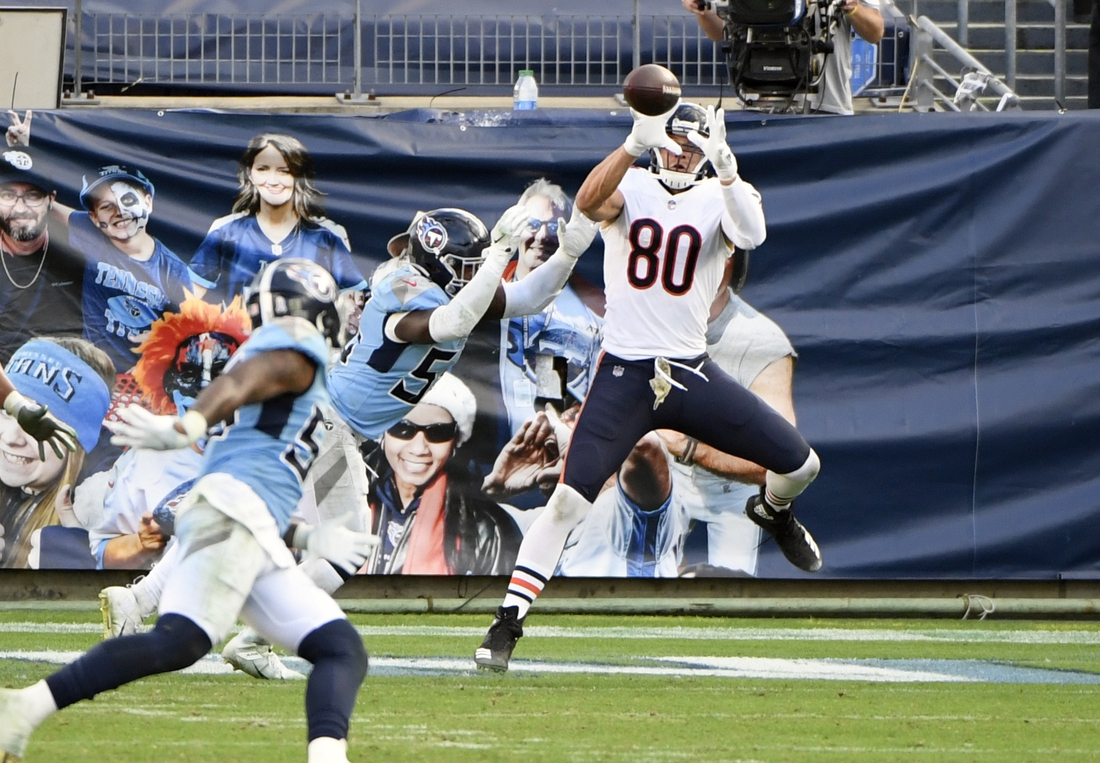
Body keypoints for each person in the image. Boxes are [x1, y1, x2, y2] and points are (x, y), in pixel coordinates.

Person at [475, 101, 822, 671]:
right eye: (674, 139)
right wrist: (635, 141)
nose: (683, 150)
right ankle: (507, 623)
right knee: (566, 501)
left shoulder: (723, 192)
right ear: (658, 139)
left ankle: (776, 512)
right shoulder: (630, 182)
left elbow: (752, 233)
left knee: (801, 464)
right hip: (625, 372)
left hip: (691, 371)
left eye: (693, 141)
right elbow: (588, 202)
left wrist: (727, 166)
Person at [0, 258, 375, 763]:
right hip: (233, 514)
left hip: (239, 518)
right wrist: (186, 427)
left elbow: (252, 469)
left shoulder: (278, 371)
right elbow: (244, 383)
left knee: (330, 649)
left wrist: (306, 538)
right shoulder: (291, 345)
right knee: (194, 644)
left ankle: (23, 709)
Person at [89, 295, 252, 570]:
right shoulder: (143, 460)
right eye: (189, 373)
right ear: (169, 385)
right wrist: (141, 543)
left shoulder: (277, 450)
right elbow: (104, 553)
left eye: (222, 374)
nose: (205, 388)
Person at [362, 372, 521, 575]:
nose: (419, 448)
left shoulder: (489, 529)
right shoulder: (344, 502)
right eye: (403, 428)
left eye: (437, 433)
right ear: (382, 433)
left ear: (455, 442)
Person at [188, 133, 367, 304]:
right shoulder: (226, 233)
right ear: (250, 174)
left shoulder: (326, 238)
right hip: (242, 336)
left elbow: (355, 301)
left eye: (284, 171)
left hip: (304, 335)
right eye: (263, 169)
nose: (273, 180)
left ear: (299, 177)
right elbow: (187, 300)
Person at [51, 164, 193, 374]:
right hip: (93, 372)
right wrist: (20, 148)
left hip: (142, 381)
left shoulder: (173, 270)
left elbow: (192, 332)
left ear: (148, 202)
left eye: (127, 200)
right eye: (107, 206)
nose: (120, 212)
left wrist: (166, 340)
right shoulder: (89, 233)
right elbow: (43, 203)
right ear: (94, 218)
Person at [498, 178, 603, 436]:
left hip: (557, 457)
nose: (542, 236)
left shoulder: (595, 312)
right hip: (481, 460)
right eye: (532, 225)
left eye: (555, 228)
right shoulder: (485, 295)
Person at [0, 337, 113, 568]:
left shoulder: (110, 510)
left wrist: (90, 569)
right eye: (7, 413)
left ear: (77, 442)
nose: (11, 438)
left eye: (39, 425)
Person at [683, 0, 884, 115]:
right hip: (758, 99)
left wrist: (853, 7)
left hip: (826, 103)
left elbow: (875, 31)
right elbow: (719, 33)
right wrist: (701, 10)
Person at [0, 146, 85, 363]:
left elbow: (107, 231)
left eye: (33, 195)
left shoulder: (76, 249)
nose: (20, 208)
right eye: (8, 195)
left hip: (62, 376)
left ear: (51, 199)